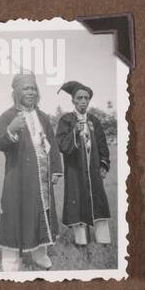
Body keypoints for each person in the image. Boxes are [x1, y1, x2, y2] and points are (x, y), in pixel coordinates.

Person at [0, 71, 61, 271]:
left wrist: (56, 169)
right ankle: (11, 261)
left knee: (41, 212)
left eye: (33, 88)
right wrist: (11, 129)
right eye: (26, 88)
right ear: (16, 91)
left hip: (42, 177)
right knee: (15, 214)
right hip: (18, 176)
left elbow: (52, 144)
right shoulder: (8, 116)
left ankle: (40, 255)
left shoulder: (43, 117)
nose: (31, 92)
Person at [55, 80, 112, 252]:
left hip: (93, 169)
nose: (83, 101)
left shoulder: (94, 120)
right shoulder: (66, 120)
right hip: (75, 169)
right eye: (79, 98)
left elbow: (102, 144)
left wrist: (103, 164)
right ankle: (81, 241)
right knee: (77, 201)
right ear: (73, 100)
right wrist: (75, 132)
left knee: (98, 201)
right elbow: (61, 145)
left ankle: (103, 240)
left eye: (86, 98)